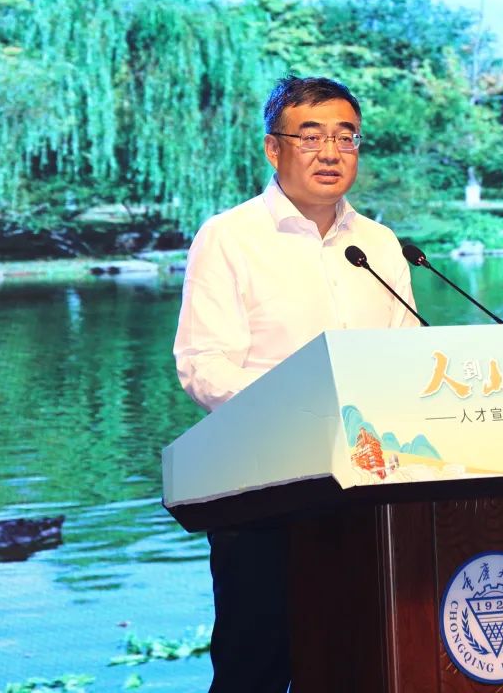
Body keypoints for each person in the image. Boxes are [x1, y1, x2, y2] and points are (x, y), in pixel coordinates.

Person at [172, 75, 421, 692]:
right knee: (256, 669)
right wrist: (302, 414)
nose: (331, 153)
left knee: (365, 661)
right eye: (310, 137)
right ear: (272, 148)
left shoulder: (379, 244)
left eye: (345, 137)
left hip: (374, 487)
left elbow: (409, 358)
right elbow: (204, 365)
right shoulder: (230, 237)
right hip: (264, 488)